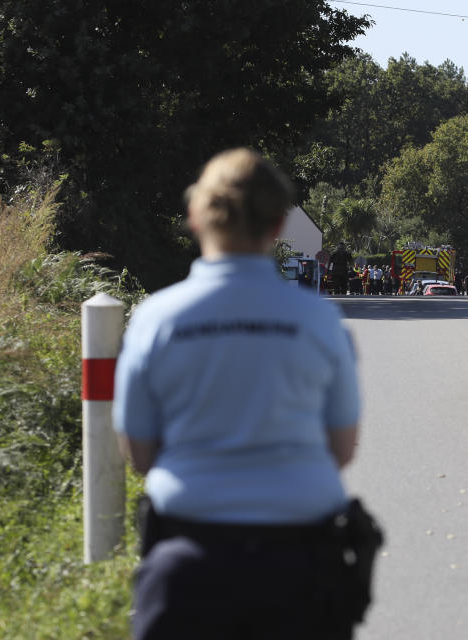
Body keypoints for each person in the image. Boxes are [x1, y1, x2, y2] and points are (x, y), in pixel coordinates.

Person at [114, 149, 369, 639]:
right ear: (278, 225)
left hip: (188, 562)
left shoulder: (157, 320)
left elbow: (140, 452)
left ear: (195, 215)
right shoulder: (319, 321)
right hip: (304, 563)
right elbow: (342, 448)